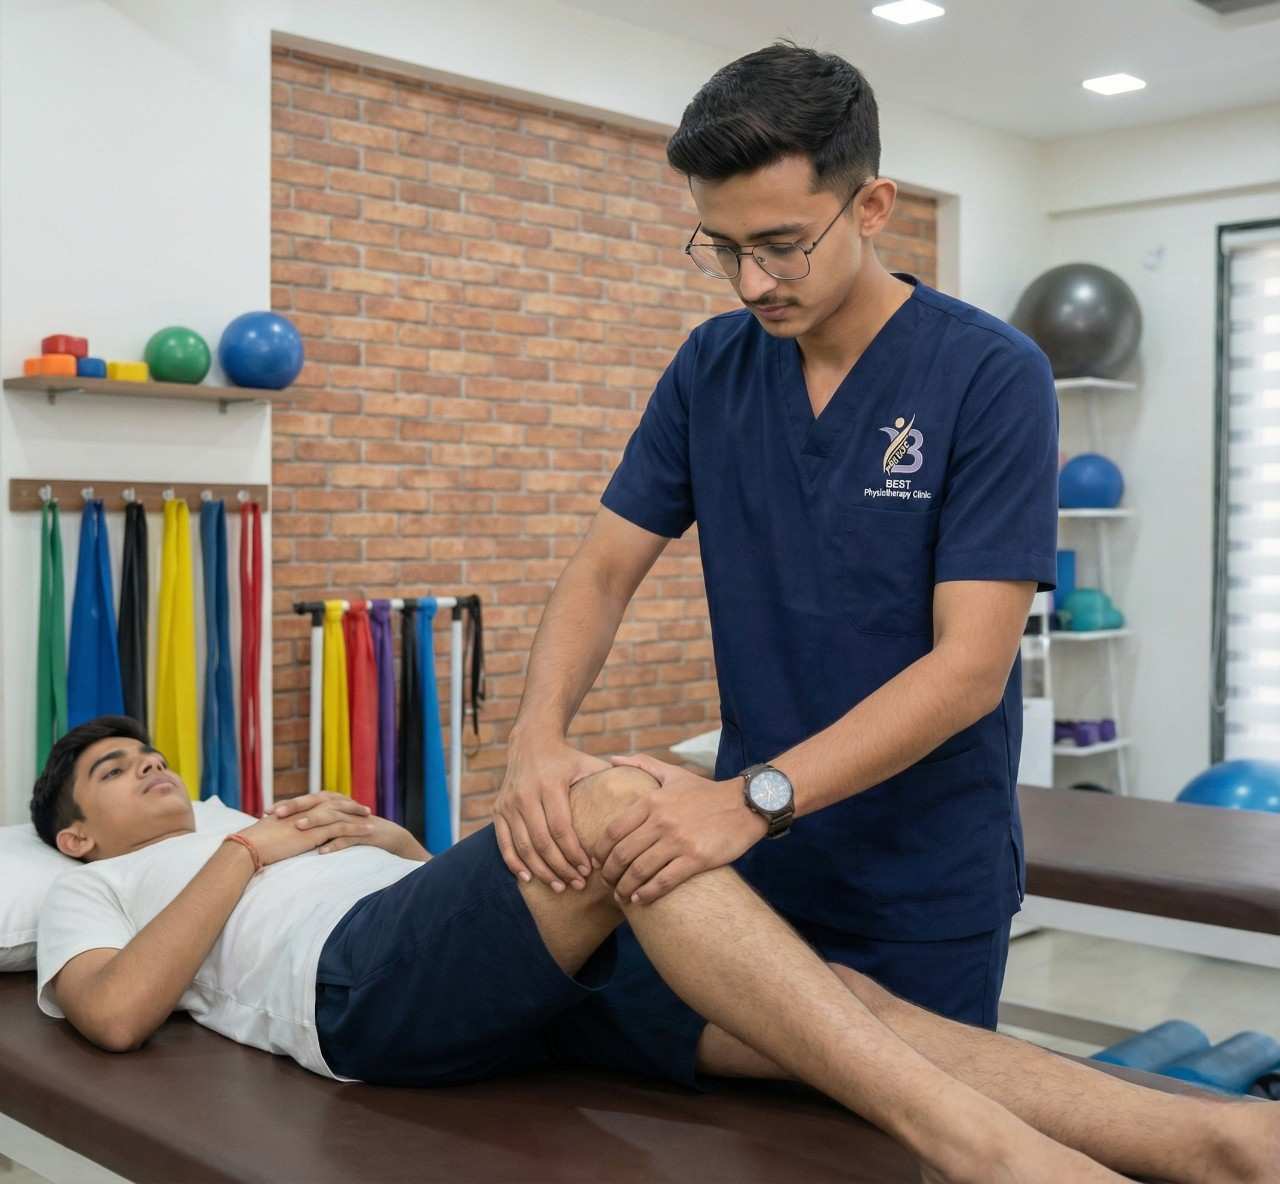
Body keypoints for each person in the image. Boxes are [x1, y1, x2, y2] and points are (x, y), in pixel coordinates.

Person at [30, 717, 1276, 1184]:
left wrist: (394, 838)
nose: (146, 763)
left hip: (464, 967)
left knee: (829, 999)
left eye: (147, 750)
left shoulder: (246, 815)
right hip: (356, 992)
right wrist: (246, 859)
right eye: (112, 770)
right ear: (76, 831)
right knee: (615, 793)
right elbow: (119, 1014)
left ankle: (1219, 1140)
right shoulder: (103, 885)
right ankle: (989, 1150)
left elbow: (448, 909)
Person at [496, 42, 1056, 1045]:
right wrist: (537, 735)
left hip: (919, 877)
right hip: (751, 869)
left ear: (871, 206)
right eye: (720, 246)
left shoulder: (988, 373)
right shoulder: (712, 367)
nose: (751, 282)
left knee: (924, 1138)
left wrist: (753, 798)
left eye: (782, 244)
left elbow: (969, 667)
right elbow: (602, 566)